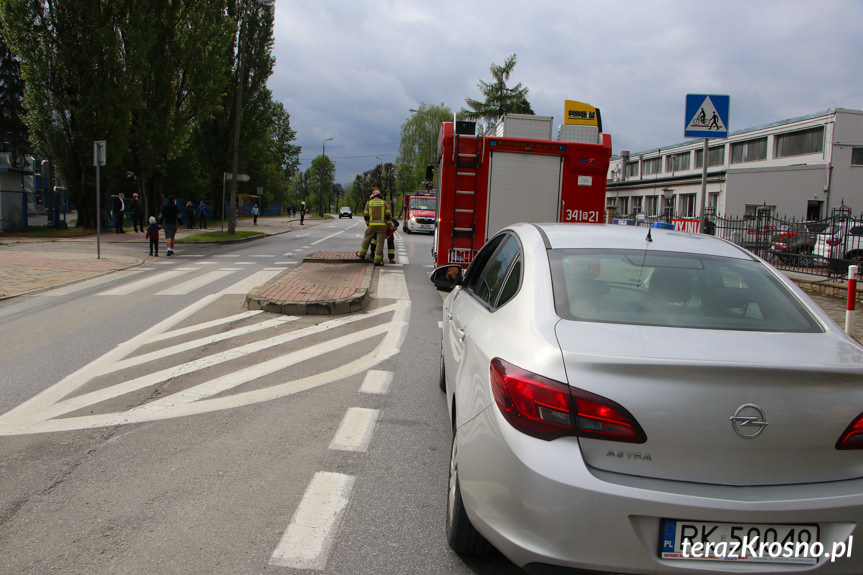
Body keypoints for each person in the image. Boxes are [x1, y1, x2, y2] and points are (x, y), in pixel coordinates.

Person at [356, 189, 391, 266]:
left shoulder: (369, 203)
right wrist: (388, 226)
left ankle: (361, 254)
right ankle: (377, 260)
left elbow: (365, 216)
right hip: (382, 227)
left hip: (372, 226)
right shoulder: (384, 203)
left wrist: (368, 225)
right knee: (379, 243)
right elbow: (388, 216)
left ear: (372, 195)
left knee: (366, 239)